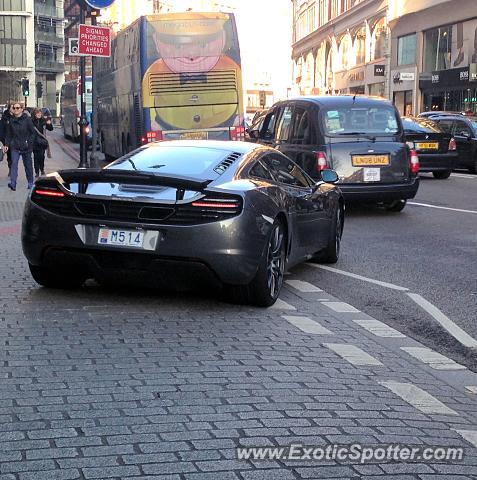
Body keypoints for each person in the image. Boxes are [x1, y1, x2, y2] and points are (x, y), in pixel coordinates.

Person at [3, 102, 36, 191]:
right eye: (14, 108)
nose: (15, 110)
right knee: (14, 164)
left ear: (22, 109)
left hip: (26, 147)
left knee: (28, 165)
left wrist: (29, 142)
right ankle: (13, 183)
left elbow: (33, 133)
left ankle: (30, 182)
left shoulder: (27, 120)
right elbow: (9, 134)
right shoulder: (11, 120)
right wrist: (6, 144)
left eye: (18, 108)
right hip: (15, 146)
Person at [31, 108, 53, 177]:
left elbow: (50, 129)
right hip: (34, 142)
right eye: (37, 113)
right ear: (34, 114)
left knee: (41, 156)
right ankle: (37, 172)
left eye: (40, 113)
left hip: (42, 142)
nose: (39, 114)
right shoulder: (31, 121)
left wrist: (49, 124)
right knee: (35, 157)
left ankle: (42, 169)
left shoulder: (43, 121)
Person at [0, 102, 15, 178]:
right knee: (9, 156)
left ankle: (13, 170)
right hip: (7, 140)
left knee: (14, 156)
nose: (14, 109)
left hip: (16, 140)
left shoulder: (17, 116)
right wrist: (2, 140)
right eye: (12, 107)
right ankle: (10, 169)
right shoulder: (5, 117)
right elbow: (1, 129)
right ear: (9, 108)